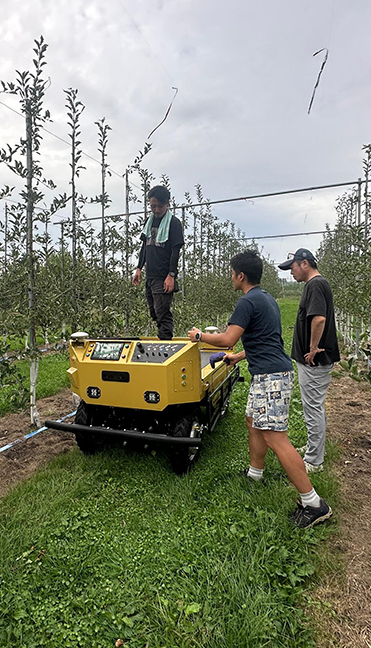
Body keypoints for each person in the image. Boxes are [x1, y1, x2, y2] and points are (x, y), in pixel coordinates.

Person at [188, 250, 333, 529]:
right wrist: (239, 357)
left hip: (271, 378)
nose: (231, 277)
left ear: (240, 276)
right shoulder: (266, 299)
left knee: (275, 436)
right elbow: (266, 341)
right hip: (269, 372)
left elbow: (228, 338)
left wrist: (199, 336)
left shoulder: (246, 301)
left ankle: (314, 503)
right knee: (253, 422)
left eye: (232, 273)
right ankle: (255, 474)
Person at [279, 248, 340, 473]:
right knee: (313, 406)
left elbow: (319, 319)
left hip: (314, 360)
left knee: (312, 407)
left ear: (304, 263)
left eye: (292, 267)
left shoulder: (315, 285)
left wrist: (313, 347)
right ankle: (314, 448)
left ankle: (314, 460)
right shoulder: (315, 284)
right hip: (313, 360)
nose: (291, 273)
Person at [132, 185, 184, 339]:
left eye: (159, 206)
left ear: (167, 203)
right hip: (151, 274)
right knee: (154, 312)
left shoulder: (174, 223)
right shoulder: (149, 222)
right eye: (152, 206)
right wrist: (139, 268)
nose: (155, 210)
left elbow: (176, 251)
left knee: (163, 314)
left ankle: (165, 347)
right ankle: (163, 342)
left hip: (163, 276)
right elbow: (145, 246)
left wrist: (171, 275)